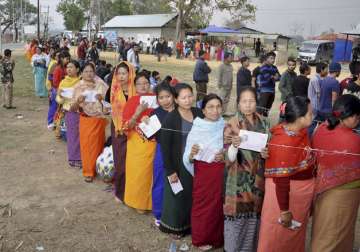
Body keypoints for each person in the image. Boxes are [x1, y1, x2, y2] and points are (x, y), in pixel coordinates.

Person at [258, 96, 315, 252]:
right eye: (310, 113)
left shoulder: (300, 131)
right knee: (276, 236)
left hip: (296, 195)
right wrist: (284, 211)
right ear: (299, 118)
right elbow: (282, 180)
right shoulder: (283, 142)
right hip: (283, 197)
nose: (313, 115)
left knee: (293, 236)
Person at [311, 94, 360, 252]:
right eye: (357, 116)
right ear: (349, 116)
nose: (358, 120)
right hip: (345, 196)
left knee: (323, 231)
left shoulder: (321, 129)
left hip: (321, 191)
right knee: (336, 236)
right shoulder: (353, 139)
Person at [223, 87, 269, 252]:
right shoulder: (232, 124)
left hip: (257, 180)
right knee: (236, 222)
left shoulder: (264, 122)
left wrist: (266, 153)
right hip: (238, 181)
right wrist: (234, 146)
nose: (248, 105)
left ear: (256, 102)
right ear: (238, 103)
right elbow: (227, 159)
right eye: (244, 101)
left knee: (253, 220)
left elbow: (268, 149)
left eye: (251, 101)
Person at [182, 93, 225, 251]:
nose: (215, 111)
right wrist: (192, 154)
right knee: (203, 205)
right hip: (204, 173)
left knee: (218, 205)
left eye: (218, 106)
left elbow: (230, 149)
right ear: (204, 111)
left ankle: (217, 237)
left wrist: (224, 154)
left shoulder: (224, 125)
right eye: (211, 107)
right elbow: (187, 156)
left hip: (220, 171)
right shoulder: (198, 127)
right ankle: (201, 238)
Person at [159, 83, 203, 238]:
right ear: (176, 100)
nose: (188, 100)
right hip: (178, 165)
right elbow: (165, 147)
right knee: (177, 198)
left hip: (196, 162)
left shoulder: (198, 112)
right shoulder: (171, 118)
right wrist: (170, 171)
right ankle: (174, 227)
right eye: (183, 97)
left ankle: (191, 225)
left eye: (190, 96)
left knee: (193, 196)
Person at [121, 72, 156, 212]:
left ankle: (152, 203)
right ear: (135, 86)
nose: (143, 86)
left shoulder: (157, 99)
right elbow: (126, 127)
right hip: (137, 143)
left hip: (154, 142)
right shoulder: (131, 101)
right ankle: (137, 202)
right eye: (140, 83)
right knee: (138, 173)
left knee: (151, 174)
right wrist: (137, 113)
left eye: (146, 83)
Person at [71, 63, 109, 183]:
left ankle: (98, 169)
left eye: (91, 71)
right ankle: (88, 172)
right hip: (86, 120)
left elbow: (109, 105)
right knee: (87, 147)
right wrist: (78, 101)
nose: (89, 74)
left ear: (94, 72)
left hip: (99, 120)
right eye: (86, 71)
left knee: (99, 145)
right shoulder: (78, 86)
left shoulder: (101, 84)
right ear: (81, 73)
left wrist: (101, 99)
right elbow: (72, 108)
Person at [110, 62, 136, 202]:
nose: (121, 76)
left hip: (135, 130)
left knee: (133, 162)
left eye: (124, 73)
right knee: (120, 162)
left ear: (130, 73)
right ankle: (120, 192)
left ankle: (132, 193)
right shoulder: (114, 89)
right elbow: (115, 112)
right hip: (118, 129)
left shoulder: (136, 90)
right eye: (118, 73)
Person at [151, 83, 176, 226]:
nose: (165, 100)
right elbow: (149, 135)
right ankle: (159, 213)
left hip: (179, 149)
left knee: (177, 180)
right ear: (157, 99)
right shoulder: (155, 113)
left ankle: (175, 210)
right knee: (160, 179)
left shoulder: (181, 110)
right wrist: (146, 124)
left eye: (168, 96)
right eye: (161, 98)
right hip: (162, 150)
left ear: (173, 96)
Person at [56, 60, 81, 168]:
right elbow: (59, 101)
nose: (69, 69)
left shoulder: (81, 82)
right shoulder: (63, 82)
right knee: (72, 136)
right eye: (67, 67)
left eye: (71, 67)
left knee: (81, 136)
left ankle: (82, 157)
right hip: (70, 112)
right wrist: (60, 96)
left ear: (78, 69)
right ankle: (74, 158)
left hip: (82, 112)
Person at [51, 51, 71, 130]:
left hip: (65, 92)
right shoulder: (58, 69)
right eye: (67, 59)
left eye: (69, 59)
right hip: (59, 92)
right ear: (62, 59)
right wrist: (63, 86)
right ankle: (56, 125)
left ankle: (60, 126)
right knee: (58, 110)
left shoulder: (65, 68)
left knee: (62, 111)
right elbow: (55, 83)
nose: (68, 61)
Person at [257, 51, 280, 117]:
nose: (273, 60)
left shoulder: (275, 68)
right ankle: (256, 123)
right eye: (271, 58)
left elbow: (279, 77)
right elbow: (267, 77)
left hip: (272, 91)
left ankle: (264, 122)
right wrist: (274, 76)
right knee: (261, 108)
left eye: (274, 58)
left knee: (267, 108)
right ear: (266, 58)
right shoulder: (263, 67)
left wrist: (274, 77)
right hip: (264, 91)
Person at [308, 62, 328, 136]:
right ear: (322, 70)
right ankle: (308, 138)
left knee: (319, 123)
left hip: (316, 105)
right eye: (326, 69)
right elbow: (319, 94)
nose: (327, 71)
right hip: (315, 105)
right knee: (313, 123)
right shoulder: (315, 79)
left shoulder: (319, 78)